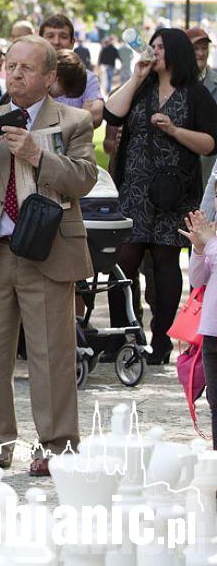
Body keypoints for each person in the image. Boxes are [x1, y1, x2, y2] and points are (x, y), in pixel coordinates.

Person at [0, 34, 98, 475]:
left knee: (52, 356)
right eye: (10, 66)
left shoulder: (73, 121)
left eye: (26, 68)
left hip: (47, 252)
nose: (15, 74)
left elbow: (85, 178)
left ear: (49, 77)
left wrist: (38, 155)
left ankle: (56, 446)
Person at [103, 27, 217, 365]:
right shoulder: (142, 87)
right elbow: (111, 113)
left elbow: (210, 144)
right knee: (123, 260)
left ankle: (162, 341)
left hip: (174, 192)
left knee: (166, 263)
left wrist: (174, 130)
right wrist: (137, 75)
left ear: (177, 52)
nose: (154, 51)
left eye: (161, 47)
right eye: (151, 46)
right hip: (135, 188)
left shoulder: (195, 94)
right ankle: (122, 336)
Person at [182, 210, 217, 443]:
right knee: (215, 402)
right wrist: (198, 249)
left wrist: (210, 243)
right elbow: (197, 280)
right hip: (212, 332)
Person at [40, 14, 103, 128]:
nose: (56, 42)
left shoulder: (88, 78)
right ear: (40, 40)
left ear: (72, 42)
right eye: (50, 36)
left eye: (63, 37)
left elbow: (96, 116)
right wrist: (81, 117)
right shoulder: (29, 73)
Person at [188, 27, 217, 187]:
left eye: (204, 48)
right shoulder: (172, 84)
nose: (201, 53)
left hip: (210, 173)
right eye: (195, 49)